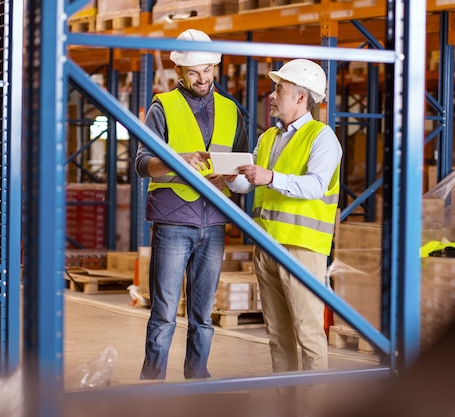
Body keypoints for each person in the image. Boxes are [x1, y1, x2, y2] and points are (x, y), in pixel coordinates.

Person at [225, 59, 342, 413]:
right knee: (277, 333)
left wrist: (270, 177)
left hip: (302, 248)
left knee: (307, 332)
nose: (272, 96)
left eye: (280, 89)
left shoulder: (323, 138)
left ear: (302, 98)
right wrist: (232, 176)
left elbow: (316, 186)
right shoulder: (268, 137)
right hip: (266, 245)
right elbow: (251, 183)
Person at [135, 29, 248, 380]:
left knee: (203, 315)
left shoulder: (231, 110)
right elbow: (142, 164)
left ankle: (197, 380)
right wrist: (178, 160)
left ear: (215, 66)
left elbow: (242, 164)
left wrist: (230, 178)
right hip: (173, 221)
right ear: (179, 73)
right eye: (194, 72)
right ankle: (151, 383)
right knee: (165, 313)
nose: (202, 79)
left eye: (207, 70)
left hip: (213, 221)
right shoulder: (162, 107)